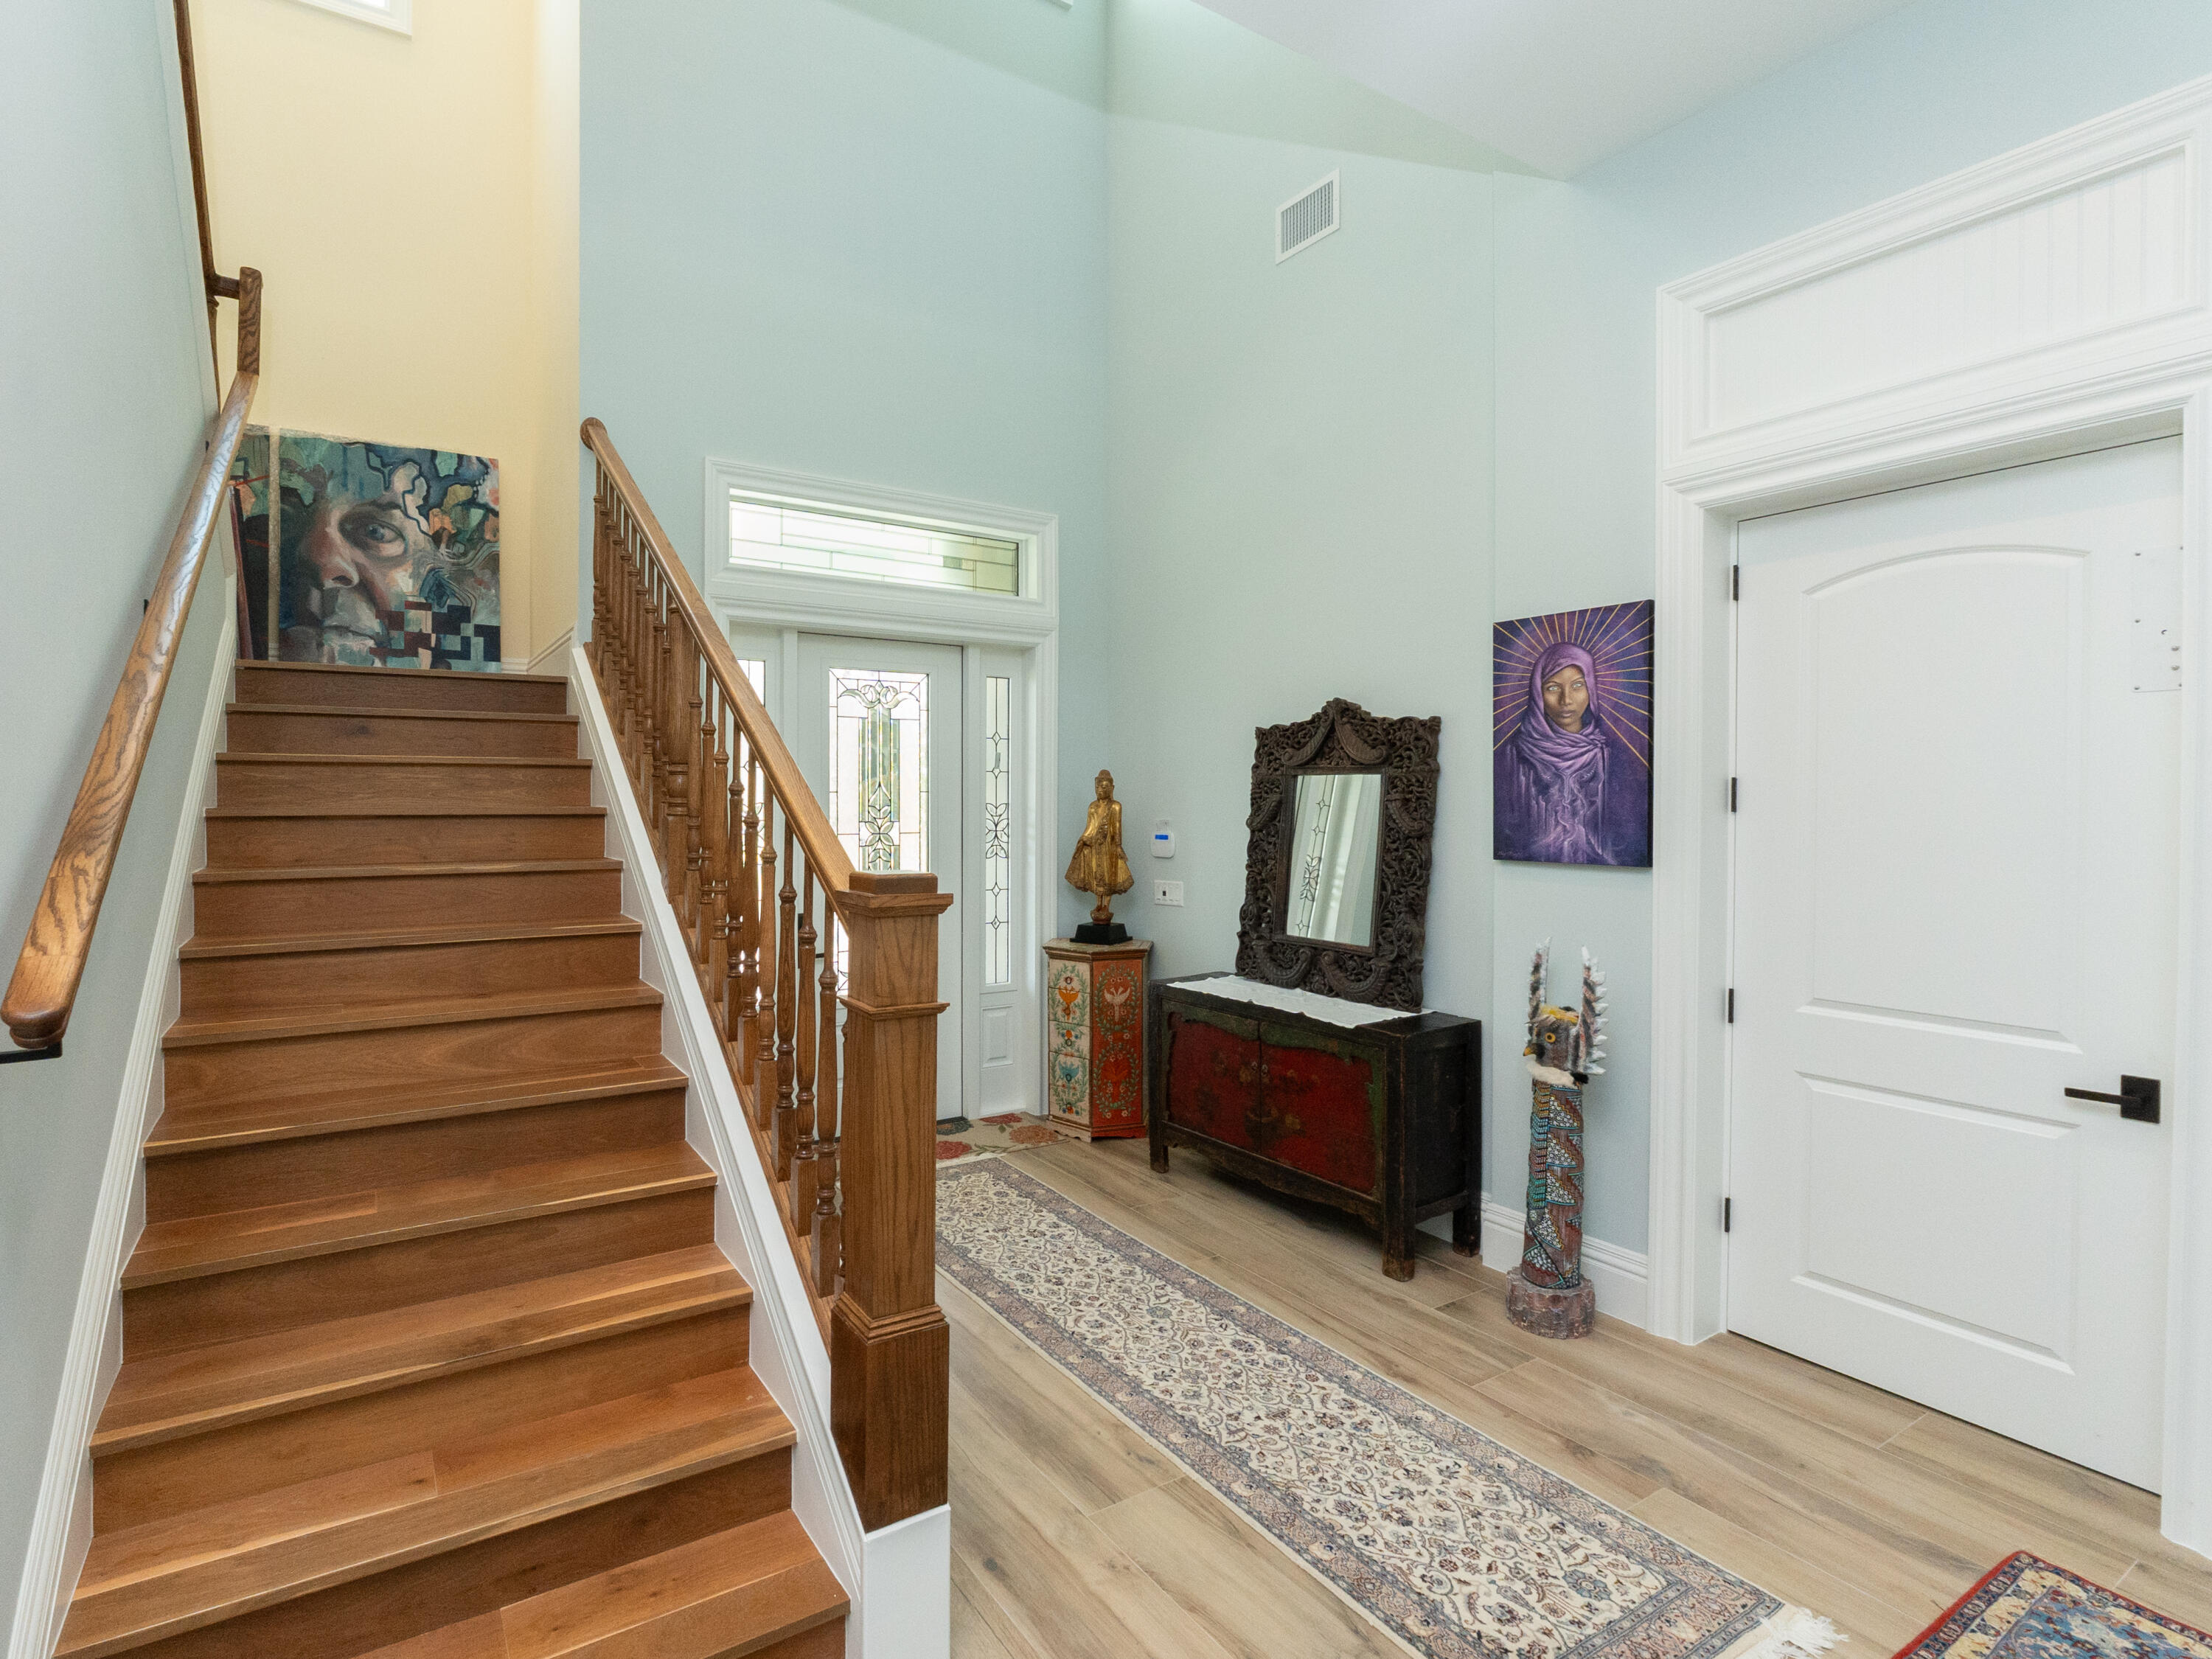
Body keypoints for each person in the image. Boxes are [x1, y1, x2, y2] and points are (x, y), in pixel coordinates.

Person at [1494, 640, 1650, 866]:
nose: (1566, 700)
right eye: (1553, 688)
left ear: (1591, 689)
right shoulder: (1511, 756)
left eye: (1577, 686)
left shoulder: (1613, 758)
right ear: (1537, 693)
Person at [1065, 769, 1134, 927]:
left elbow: (1117, 827)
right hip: (1095, 846)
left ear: (1111, 788)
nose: (1100, 791)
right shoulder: (1093, 807)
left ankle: (1107, 906)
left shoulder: (1116, 806)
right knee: (1096, 874)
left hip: (1109, 847)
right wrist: (1084, 839)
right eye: (1098, 788)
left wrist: (1118, 846)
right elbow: (1090, 827)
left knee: (1110, 875)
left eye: (1104, 787)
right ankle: (1098, 904)